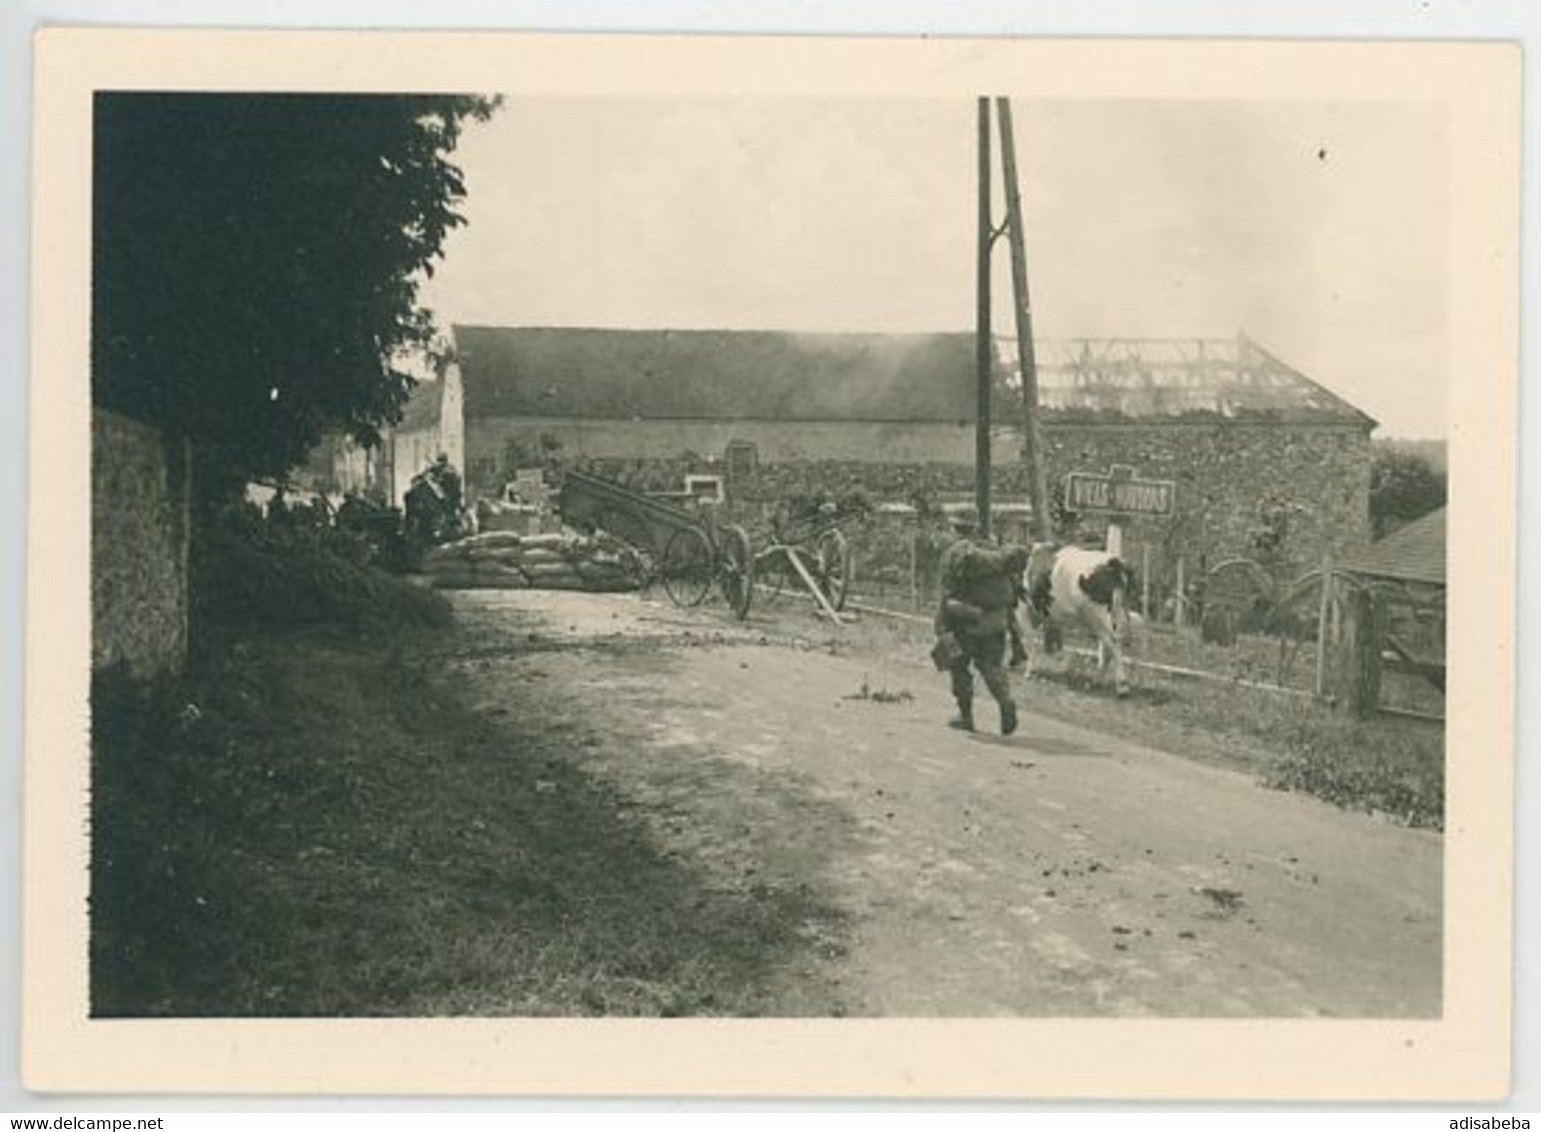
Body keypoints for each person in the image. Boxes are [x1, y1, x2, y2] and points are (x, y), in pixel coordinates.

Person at [933, 516, 1031, 735]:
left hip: (965, 620)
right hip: (996, 620)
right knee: (991, 666)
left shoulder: (954, 555)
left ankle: (965, 716)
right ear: (974, 528)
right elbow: (1012, 590)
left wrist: (941, 627)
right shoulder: (993, 551)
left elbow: (946, 594)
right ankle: (1006, 702)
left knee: (959, 666)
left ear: (954, 529)